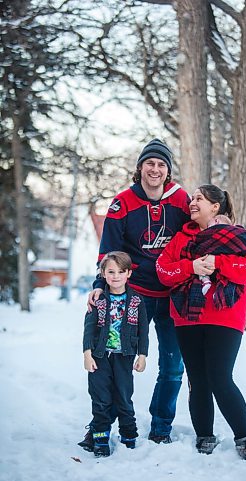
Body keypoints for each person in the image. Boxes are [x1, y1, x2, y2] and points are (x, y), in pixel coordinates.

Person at [79, 138, 190, 449]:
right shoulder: (123, 202)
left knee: (172, 366)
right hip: (133, 296)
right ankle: (100, 426)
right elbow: (109, 250)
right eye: (149, 163)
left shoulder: (181, 200)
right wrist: (100, 284)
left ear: (168, 171)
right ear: (140, 167)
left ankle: (161, 427)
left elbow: (200, 231)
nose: (155, 169)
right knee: (117, 363)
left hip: (172, 294)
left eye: (161, 164)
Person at [156, 184, 246, 463]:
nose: (192, 203)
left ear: (215, 207)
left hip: (224, 316)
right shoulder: (182, 238)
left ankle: (245, 439)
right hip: (187, 318)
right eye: (192, 198)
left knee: (220, 377)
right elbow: (163, 270)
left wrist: (217, 261)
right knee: (198, 380)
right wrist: (190, 267)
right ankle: (204, 436)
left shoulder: (237, 236)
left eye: (199, 199)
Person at [81, 251, 148, 457]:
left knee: (124, 397)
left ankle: (128, 436)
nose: (116, 276)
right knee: (100, 398)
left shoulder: (137, 300)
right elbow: (89, 327)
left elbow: (143, 330)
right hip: (100, 356)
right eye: (111, 271)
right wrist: (87, 353)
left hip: (124, 356)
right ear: (103, 274)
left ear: (128, 273)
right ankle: (100, 440)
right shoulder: (98, 299)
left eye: (121, 271)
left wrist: (142, 355)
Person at [198, 214, 232, 295]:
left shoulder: (218, 234)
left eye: (209, 225)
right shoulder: (230, 235)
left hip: (211, 261)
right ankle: (212, 286)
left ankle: (206, 281)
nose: (208, 229)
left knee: (202, 269)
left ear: (216, 221)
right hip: (217, 266)